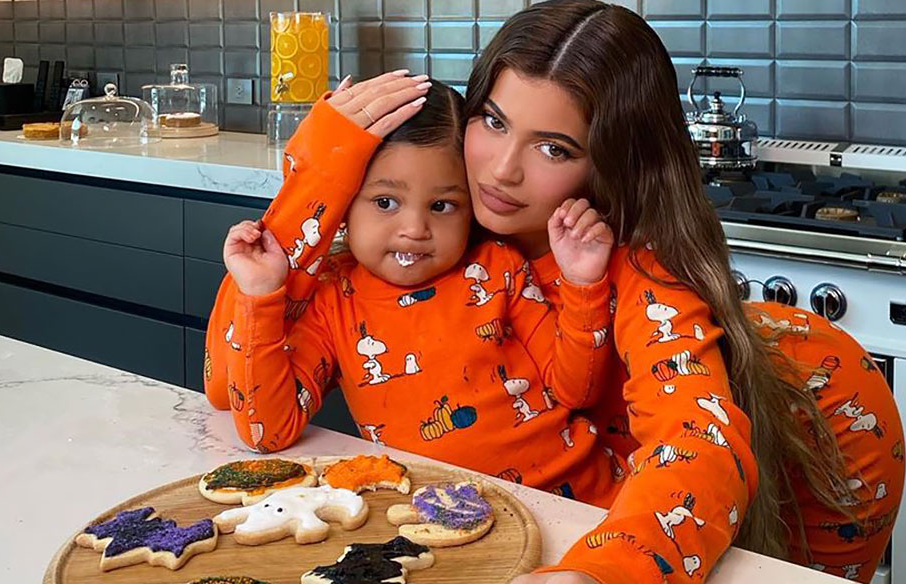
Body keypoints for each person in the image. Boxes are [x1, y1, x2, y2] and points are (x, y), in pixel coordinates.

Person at [204, 0, 902, 584]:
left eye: (555, 148)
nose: (502, 171)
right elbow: (230, 386)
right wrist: (317, 175)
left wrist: (622, 580)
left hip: (831, 425)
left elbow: (695, 434)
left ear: (614, 163)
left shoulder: (637, 267)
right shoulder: (434, 230)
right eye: (493, 121)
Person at [219, 80, 623, 488]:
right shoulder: (332, 299)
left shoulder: (498, 267)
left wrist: (582, 284)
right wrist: (259, 295)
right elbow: (265, 433)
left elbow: (576, 391)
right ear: (344, 208)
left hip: (576, 498)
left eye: (442, 206)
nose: (414, 229)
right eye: (385, 202)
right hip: (445, 511)